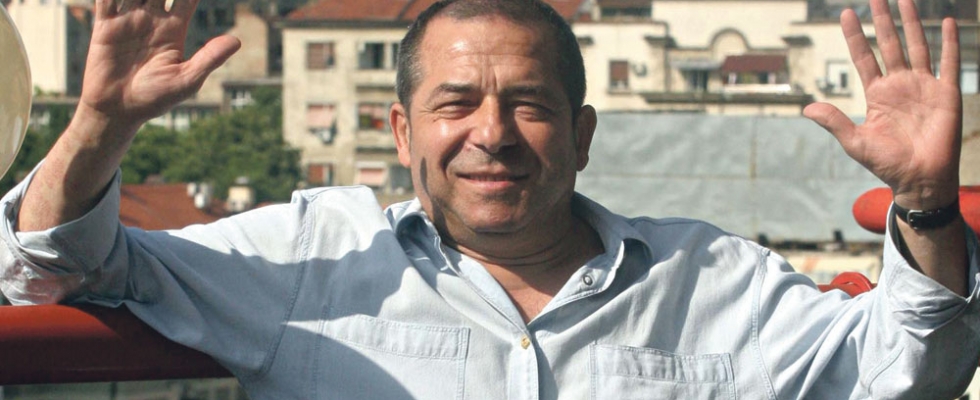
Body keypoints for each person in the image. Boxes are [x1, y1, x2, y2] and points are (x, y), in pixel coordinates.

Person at [1, 0, 978, 398]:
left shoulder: (711, 275)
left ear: (582, 135)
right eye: (455, 103)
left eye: (529, 105)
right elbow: (47, 267)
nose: (492, 132)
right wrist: (98, 126)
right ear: (400, 134)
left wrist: (927, 203)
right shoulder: (309, 256)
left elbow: (905, 368)